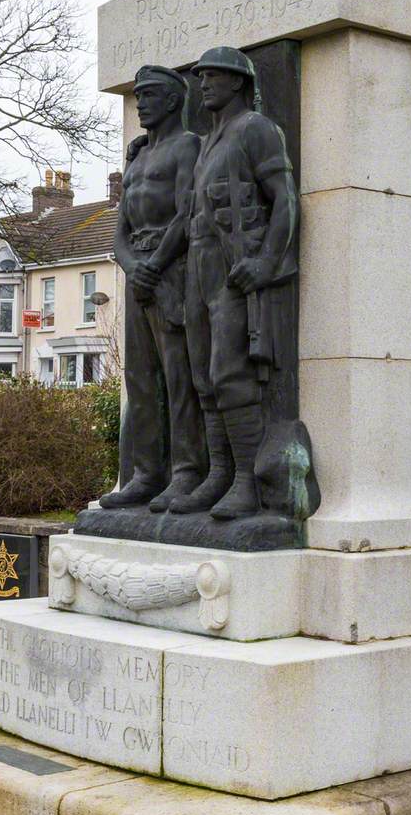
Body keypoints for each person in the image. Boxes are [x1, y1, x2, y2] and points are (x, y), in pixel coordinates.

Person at [171, 46, 297, 520]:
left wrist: (266, 262)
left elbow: (284, 200)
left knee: (230, 373)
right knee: (203, 378)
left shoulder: (257, 129)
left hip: (233, 265)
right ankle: (218, 474)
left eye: (213, 76)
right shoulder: (206, 141)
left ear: (238, 82)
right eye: (200, 75)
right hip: (198, 266)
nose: (202, 83)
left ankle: (247, 479)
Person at [100, 65, 204, 512]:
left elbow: (187, 212)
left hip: (173, 271)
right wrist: (132, 265)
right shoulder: (137, 158)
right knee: (140, 378)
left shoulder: (188, 146)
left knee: (179, 376)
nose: (139, 101)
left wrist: (155, 265)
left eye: (149, 94)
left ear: (173, 100)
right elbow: (119, 231)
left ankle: (186, 472)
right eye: (137, 94)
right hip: (138, 272)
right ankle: (146, 473)